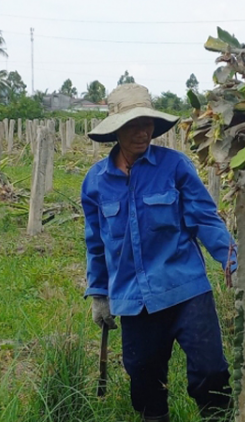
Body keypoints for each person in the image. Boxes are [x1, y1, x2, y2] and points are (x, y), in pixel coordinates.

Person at [82, 83, 236, 422]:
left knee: (211, 372)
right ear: (116, 130)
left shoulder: (175, 166)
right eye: (133, 125)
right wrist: (99, 294)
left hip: (185, 287)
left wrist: (232, 263)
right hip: (133, 298)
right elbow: (96, 242)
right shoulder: (95, 182)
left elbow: (205, 219)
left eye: (147, 123)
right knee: (144, 381)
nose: (142, 132)